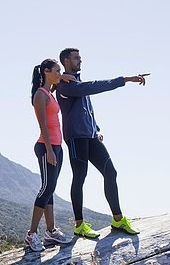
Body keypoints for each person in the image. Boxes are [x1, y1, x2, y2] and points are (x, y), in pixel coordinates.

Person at [56, 47, 147, 238]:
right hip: (76, 138)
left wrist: (96, 128)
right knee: (79, 178)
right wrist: (125, 79)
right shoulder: (65, 85)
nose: (80, 60)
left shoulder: (76, 81)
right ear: (66, 61)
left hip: (90, 136)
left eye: (80, 57)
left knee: (111, 172)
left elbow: (87, 108)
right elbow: (94, 87)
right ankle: (79, 225)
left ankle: (118, 219)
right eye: (76, 58)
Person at [25, 58, 75, 252]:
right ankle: (31, 234)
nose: (59, 74)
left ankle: (51, 231)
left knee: (51, 188)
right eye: (56, 71)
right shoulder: (40, 95)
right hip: (47, 146)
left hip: (56, 146)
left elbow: (64, 79)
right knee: (46, 187)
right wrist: (49, 150)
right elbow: (42, 125)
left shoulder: (49, 92)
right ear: (46, 72)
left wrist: (61, 76)